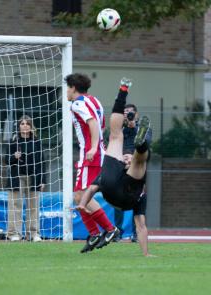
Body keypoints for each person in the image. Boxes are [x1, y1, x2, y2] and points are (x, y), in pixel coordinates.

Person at [77, 78, 154, 257]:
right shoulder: (139, 190)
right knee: (138, 160)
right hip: (129, 195)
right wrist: (146, 254)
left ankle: (123, 89)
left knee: (115, 138)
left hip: (114, 192)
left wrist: (82, 204)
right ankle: (139, 147)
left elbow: (91, 188)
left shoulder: (111, 173)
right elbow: (141, 225)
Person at [65, 73, 119, 253]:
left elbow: (93, 123)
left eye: (67, 88)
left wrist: (93, 147)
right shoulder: (94, 100)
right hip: (95, 153)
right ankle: (95, 233)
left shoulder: (77, 103)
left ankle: (110, 229)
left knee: (81, 195)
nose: (66, 91)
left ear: (73, 88)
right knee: (80, 196)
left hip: (91, 154)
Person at [113, 104, 152, 242]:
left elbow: (146, 144)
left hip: (137, 166)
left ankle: (136, 233)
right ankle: (117, 232)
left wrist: (133, 127)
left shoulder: (143, 129)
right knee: (118, 199)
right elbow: (112, 143)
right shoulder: (118, 129)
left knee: (138, 198)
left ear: (136, 114)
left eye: (130, 113)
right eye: (125, 113)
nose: (127, 115)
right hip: (121, 165)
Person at [5, 115, 45, 242]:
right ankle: (14, 233)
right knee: (15, 205)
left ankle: (33, 234)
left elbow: (42, 162)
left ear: (31, 126)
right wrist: (13, 157)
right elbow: (6, 160)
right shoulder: (13, 141)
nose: (25, 126)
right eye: (22, 123)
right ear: (19, 126)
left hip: (33, 178)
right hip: (17, 178)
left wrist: (43, 180)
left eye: (27, 123)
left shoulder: (36, 142)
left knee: (33, 207)